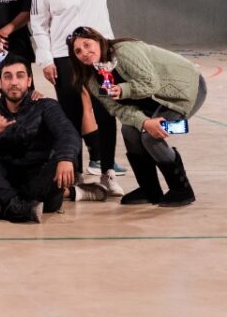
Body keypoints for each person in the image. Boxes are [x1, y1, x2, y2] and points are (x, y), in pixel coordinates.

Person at [31, 0, 146, 193]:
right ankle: (77, 176)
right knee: (70, 116)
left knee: (106, 111)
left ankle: (107, 172)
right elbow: (38, 22)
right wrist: (46, 59)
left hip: (101, 56)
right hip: (64, 55)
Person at [68, 27, 206, 207]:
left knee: (149, 136)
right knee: (129, 131)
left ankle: (182, 190)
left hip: (184, 91)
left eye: (87, 45)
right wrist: (144, 121)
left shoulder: (123, 51)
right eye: (78, 51)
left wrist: (123, 90)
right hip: (152, 103)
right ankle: (150, 191)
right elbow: (117, 110)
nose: (85, 52)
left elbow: (150, 83)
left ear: (99, 40)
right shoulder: (92, 79)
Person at [0, 56, 104, 224]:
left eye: (20, 76)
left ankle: (9, 204)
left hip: (38, 179)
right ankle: (15, 205)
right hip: (4, 180)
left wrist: (66, 158)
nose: (14, 82)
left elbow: (67, 133)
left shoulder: (45, 106)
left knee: (63, 158)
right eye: (7, 76)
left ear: (29, 81)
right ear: (0, 83)